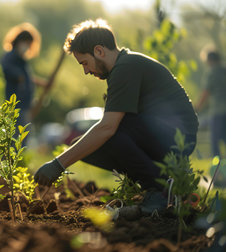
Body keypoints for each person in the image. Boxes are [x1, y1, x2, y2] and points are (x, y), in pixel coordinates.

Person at [34, 19, 198, 212]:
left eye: (85, 63)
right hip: (166, 136)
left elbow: (108, 127)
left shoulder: (125, 67)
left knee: (108, 133)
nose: (86, 71)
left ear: (99, 51)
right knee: (85, 145)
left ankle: (159, 190)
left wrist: (57, 164)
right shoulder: (123, 67)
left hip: (178, 138)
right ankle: (161, 184)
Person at [1, 23, 46, 133]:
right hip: (16, 105)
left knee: (22, 137)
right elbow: (13, 72)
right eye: (27, 43)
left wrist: (40, 83)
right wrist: (19, 76)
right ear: (20, 41)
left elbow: (27, 78)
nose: (28, 47)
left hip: (24, 105)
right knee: (18, 138)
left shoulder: (21, 60)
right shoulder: (10, 57)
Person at [195, 50, 226, 157]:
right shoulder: (224, 70)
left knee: (214, 140)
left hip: (217, 111)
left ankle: (217, 167)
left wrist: (196, 108)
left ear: (210, 60)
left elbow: (206, 93)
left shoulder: (212, 72)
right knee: (224, 137)